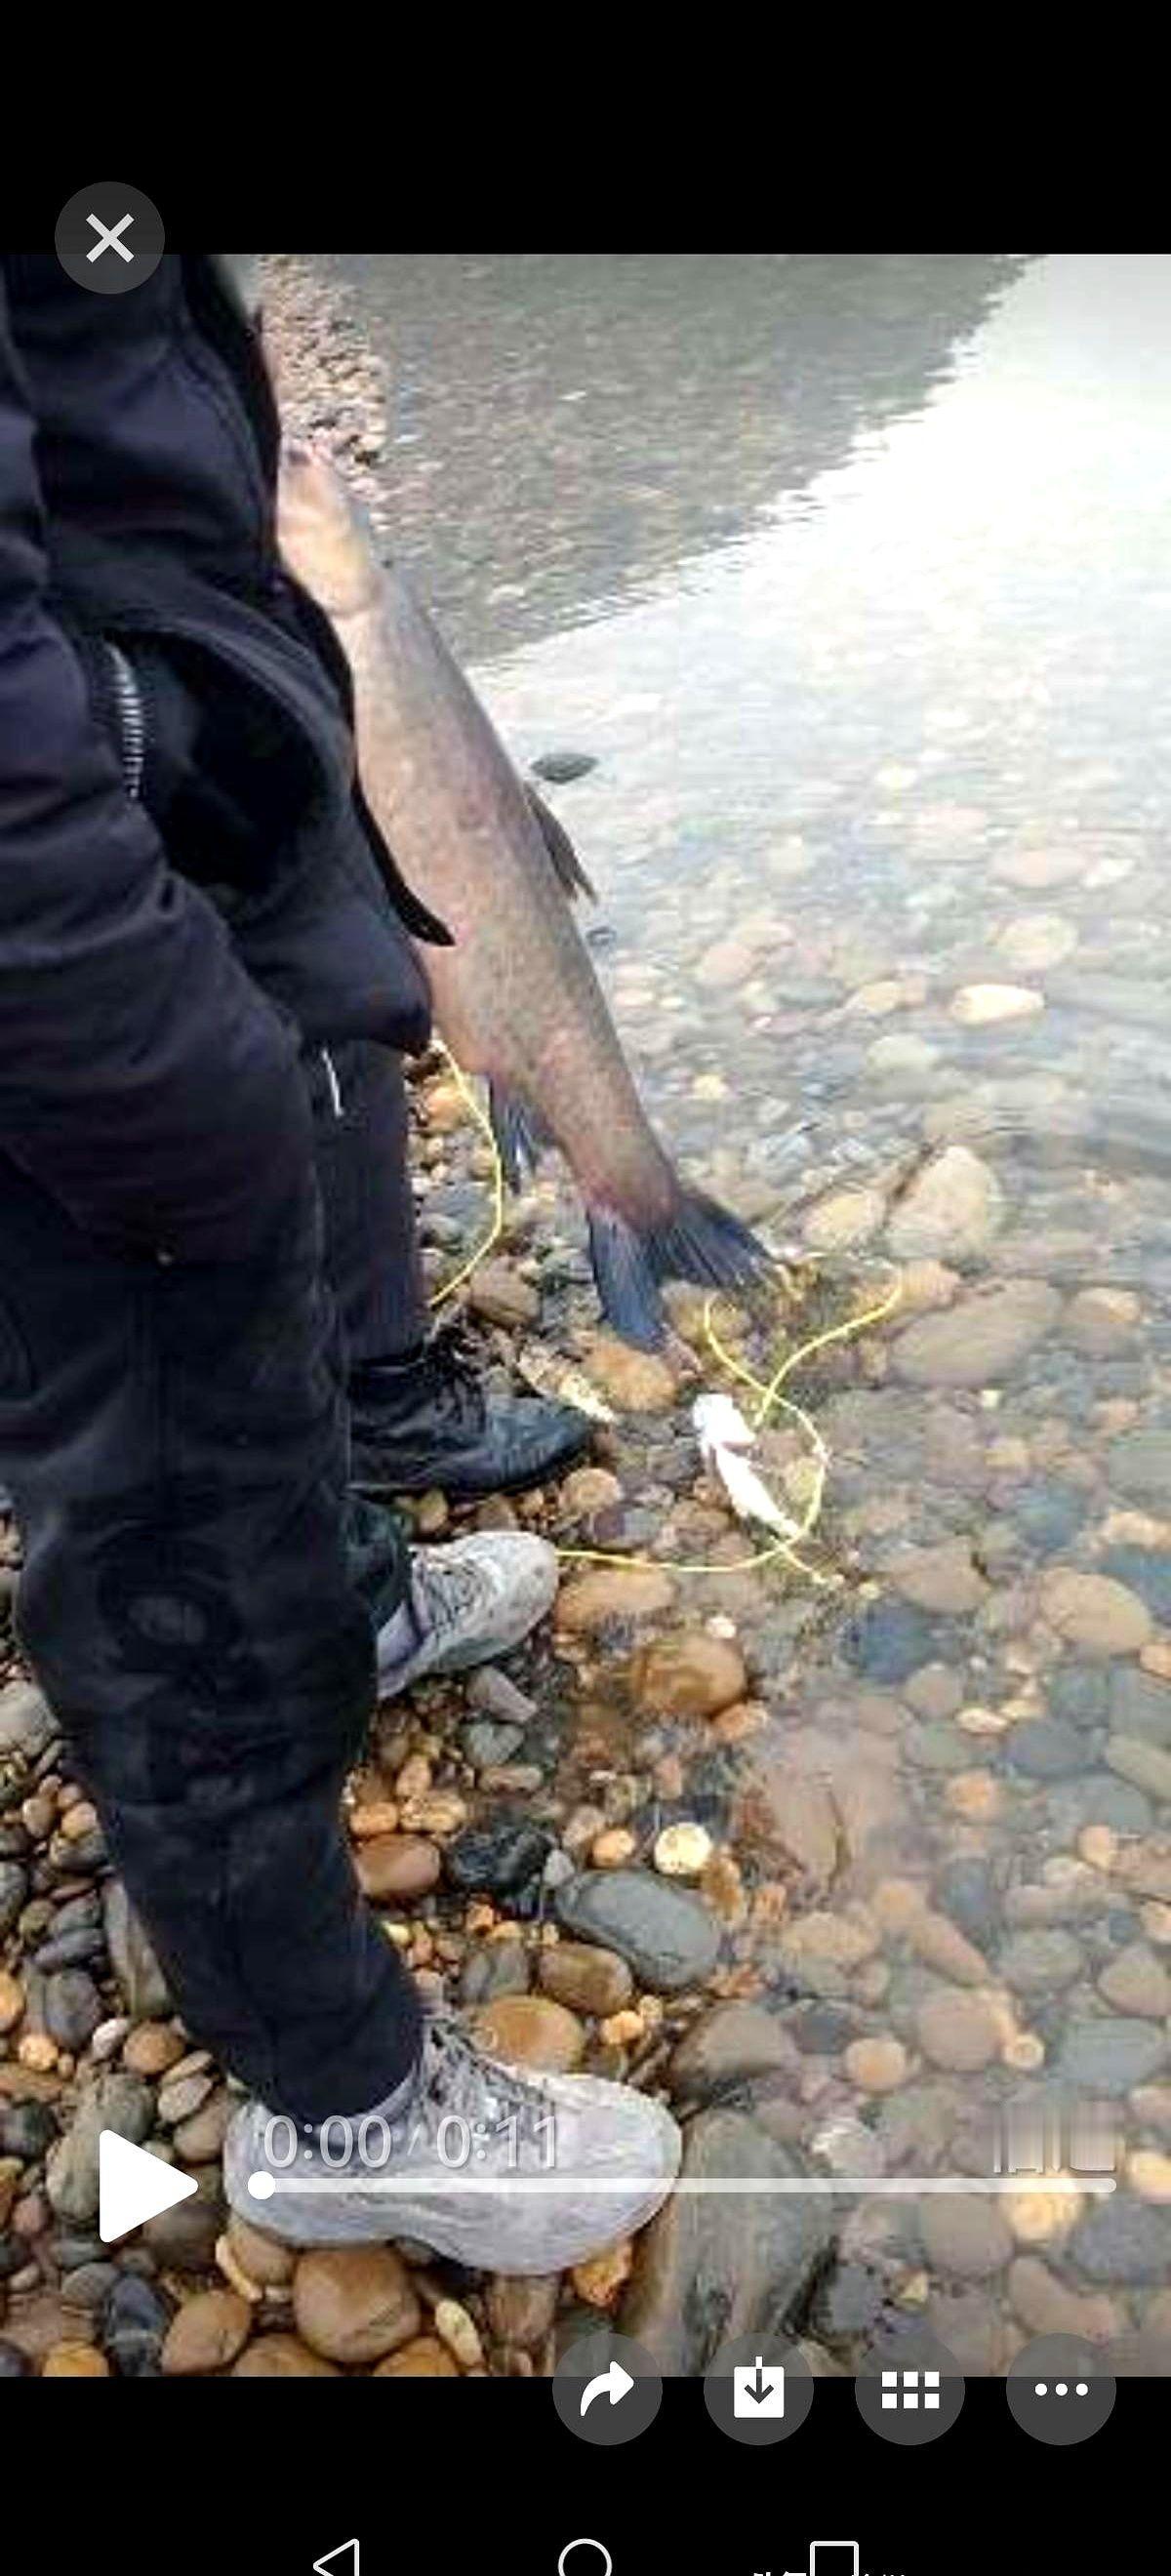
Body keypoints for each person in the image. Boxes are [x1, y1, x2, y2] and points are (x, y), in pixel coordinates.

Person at [0, 252, 679, 2268]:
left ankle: (357, 1607)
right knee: (179, 1545)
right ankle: (342, 2097)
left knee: (275, 1346)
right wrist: (166, 1060)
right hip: (83, 964)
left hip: (174, 852)